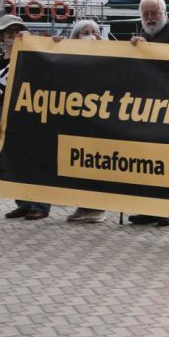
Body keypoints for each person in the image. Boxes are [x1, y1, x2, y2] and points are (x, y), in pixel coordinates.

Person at [127, 0, 169, 227]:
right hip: (148, 108)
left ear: (164, 13)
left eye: (154, 13)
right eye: (146, 14)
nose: (151, 18)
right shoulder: (143, 35)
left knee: (168, 160)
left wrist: (146, 49)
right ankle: (149, 208)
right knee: (148, 160)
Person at [0, 15, 50, 221]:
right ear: (1, 36)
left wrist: (32, 40)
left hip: (33, 114)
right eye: (8, 32)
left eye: (16, 31)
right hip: (9, 115)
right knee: (16, 159)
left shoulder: (32, 56)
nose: (13, 35)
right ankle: (23, 202)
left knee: (37, 158)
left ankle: (40, 204)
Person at [61, 20, 107, 224]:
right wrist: (55, 46)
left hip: (99, 120)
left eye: (94, 32)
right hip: (77, 117)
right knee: (79, 164)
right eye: (85, 32)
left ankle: (97, 208)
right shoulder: (71, 57)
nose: (90, 35)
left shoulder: (108, 54)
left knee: (96, 163)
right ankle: (83, 205)